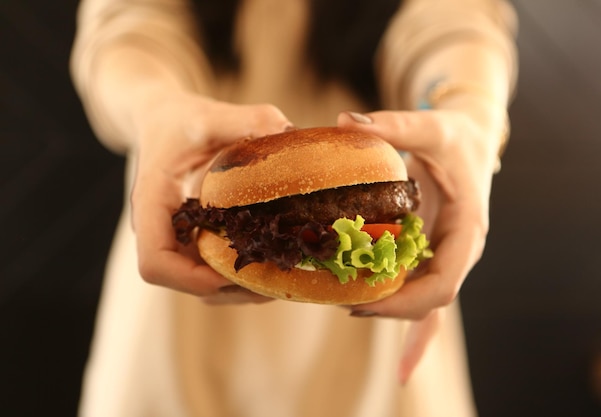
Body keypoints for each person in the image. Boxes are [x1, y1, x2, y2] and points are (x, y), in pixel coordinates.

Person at [70, 0, 518, 416]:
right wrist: (157, 107)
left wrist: (467, 112)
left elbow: (451, 22)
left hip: (376, 195)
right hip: (192, 201)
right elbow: (128, 26)